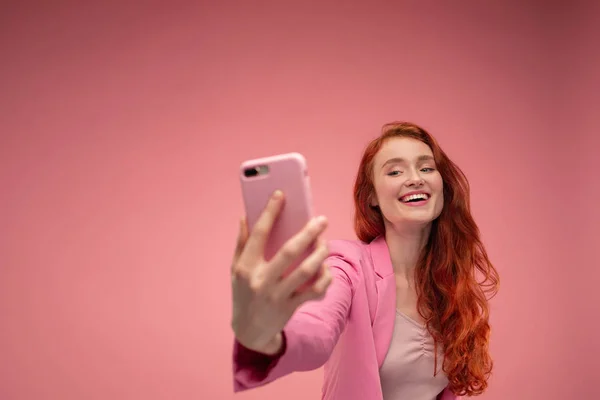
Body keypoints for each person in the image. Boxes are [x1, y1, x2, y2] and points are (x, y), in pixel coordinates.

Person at [229, 121, 500, 400]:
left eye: (427, 168)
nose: (415, 178)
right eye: (395, 171)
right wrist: (263, 337)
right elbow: (317, 332)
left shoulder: (448, 282)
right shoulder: (348, 265)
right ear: (371, 196)